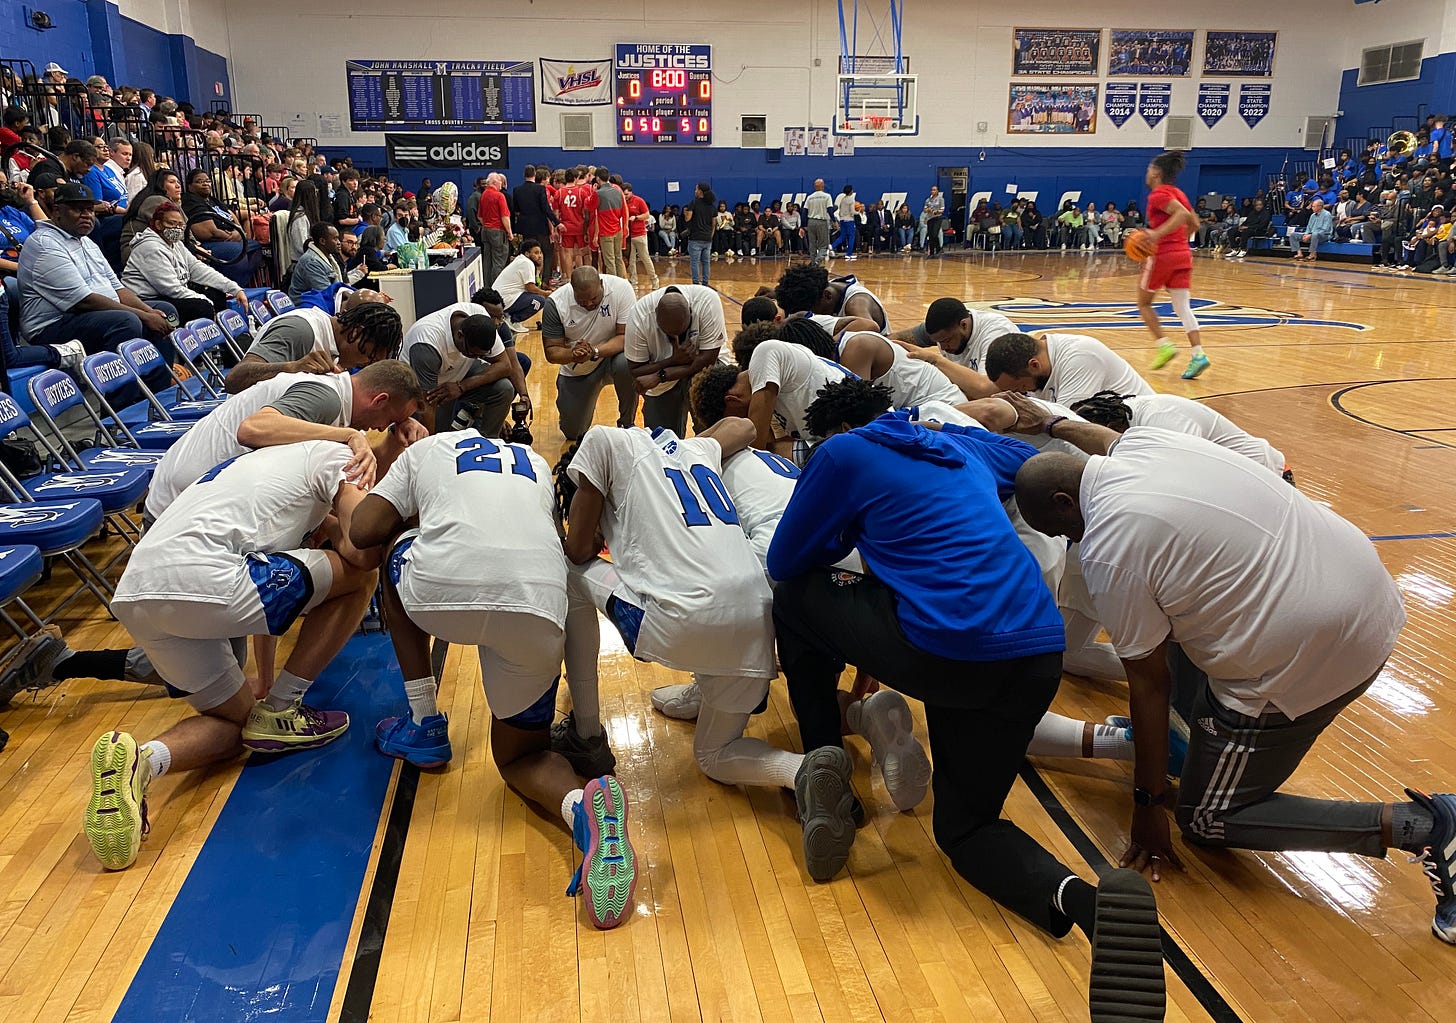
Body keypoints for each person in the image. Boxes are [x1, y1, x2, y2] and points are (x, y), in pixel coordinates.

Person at [765, 379, 1165, 1016]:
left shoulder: (843, 456)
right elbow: (1040, 466)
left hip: (949, 655)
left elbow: (788, 560)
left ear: (832, 434)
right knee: (967, 828)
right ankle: (1091, 907)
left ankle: (824, 768)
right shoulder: (958, 446)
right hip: (1036, 653)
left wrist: (844, 538)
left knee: (796, 598)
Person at [1010, 412, 1456, 947]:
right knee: (1166, 621)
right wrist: (1057, 423)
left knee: (1206, 818)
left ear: (1064, 503)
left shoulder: (1110, 546)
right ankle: (1182, 746)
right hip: (1368, 589)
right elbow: (1103, 438)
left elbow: (1149, 686)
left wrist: (1148, 807)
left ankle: (1425, 827)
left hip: (1317, 654)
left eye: (1067, 532)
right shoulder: (1148, 444)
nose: (1075, 543)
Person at [83, 442, 384, 871]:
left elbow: (269, 614)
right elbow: (362, 549)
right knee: (361, 578)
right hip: (205, 575)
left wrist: (263, 686)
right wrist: (341, 527)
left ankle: (142, 760)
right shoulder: (338, 458)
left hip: (137, 592)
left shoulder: (254, 471)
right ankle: (284, 709)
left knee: (242, 727)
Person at [560, 421, 839, 865]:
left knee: (567, 572)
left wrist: (588, 527)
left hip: (679, 623)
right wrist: (688, 445)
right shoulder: (697, 451)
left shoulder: (600, 441)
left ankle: (586, 732)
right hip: (757, 619)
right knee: (714, 752)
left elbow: (578, 549)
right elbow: (745, 426)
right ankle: (802, 770)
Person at [17, 182, 177, 374]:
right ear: (57, 211)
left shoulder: (87, 242)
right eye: (78, 209)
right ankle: (121, 399)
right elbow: (84, 301)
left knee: (164, 310)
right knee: (126, 321)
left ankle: (160, 388)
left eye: (90, 209)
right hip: (52, 326)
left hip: (90, 315)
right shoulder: (45, 244)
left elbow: (118, 289)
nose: (87, 215)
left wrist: (149, 311)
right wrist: (144, 316)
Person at [1068, 390, 1288, 476]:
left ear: (1113, 429)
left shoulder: (1163, 419)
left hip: (1272, 477)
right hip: (1242, 481)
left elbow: (1190, 472)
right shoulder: (1133, 415)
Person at [403, 297, 529, 437]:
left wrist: (462, 386)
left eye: (481, 355)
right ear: (460, 335)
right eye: (473, 353)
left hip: (455, 377)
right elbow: (426, 405)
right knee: (433, 437)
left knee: (504, 388)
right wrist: (432, 447)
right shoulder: (427, 343)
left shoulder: (479, 318)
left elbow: (505, 365)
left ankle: (488, 443)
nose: (476, 358)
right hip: (420, 391)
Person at [734, 320, 854, 459]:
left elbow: (757, 449)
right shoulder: (797, 370)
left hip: (862, 436)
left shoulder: (766, 351)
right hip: (862, 434)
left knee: (748, 454)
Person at [1137, 151, 1208, 380]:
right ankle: (1198, 355)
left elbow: (1180, 214)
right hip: (1183, 254)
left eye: (1149, 170)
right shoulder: (1179, 193)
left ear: (1156, 173)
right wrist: (1179, 240)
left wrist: (1158, 234)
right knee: (1183, 307)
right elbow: (1194, 223)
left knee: (1143, 303)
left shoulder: (1158, 194)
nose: (1146, 174)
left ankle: (1164, 345)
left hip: (1162, 255)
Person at [544, 267, 638, 439]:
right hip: (578, 367)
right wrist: (574, 354)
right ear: (572, 290)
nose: (588, 304)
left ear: (601, 284)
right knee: (573, 432)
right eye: (582, 300)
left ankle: (627, 423)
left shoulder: (622, 289)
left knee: (627, 362)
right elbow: (552, 352)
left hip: (609, 357)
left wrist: (595, 352)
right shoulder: (555, 303)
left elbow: (624, 336)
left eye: (594, 298)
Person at [227, 301, 403, 393]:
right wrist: (292, 368)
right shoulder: (301, 331)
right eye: (369, 359)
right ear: (356, 333)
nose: (364, 366)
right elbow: (234, 379)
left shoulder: (330, 340)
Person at [623, 284, 725, 435]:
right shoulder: (639, 316)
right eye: (670, 334)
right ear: (656, 315)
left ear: (690, 311)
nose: (676, 338)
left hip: (695, 371)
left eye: (681, 331)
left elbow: (708, 359)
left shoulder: (707, 301)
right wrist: (672, 360)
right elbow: (636, 370)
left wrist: (661, 375)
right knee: (662, 442)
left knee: (711, 431)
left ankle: (707, 437)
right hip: (662, 383)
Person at [121, 200, 247, 322]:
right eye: (171, 223)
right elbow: (170, 289)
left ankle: (221, 337)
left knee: (216, 293)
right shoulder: (150, 247)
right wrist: (204, 299)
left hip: (167, 294)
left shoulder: (177, 244)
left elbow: (198, 269)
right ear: (158, 224)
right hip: (147, 299)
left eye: (180, 225)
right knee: (202, 307)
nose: (177, 228)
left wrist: (234, 288)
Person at [986, 331, 1155, 409]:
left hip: (1146, 432)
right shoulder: (1043, 360)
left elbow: (1066, 424)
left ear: (1034, 365)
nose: (1021, 393)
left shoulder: (1080, 357)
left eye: (1021, 388)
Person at [889, 297, 1018, 398]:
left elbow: (988, 390)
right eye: (938, 342)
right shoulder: (945, 331)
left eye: (947, 341)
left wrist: (935, 360)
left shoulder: (996, 333)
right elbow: (897, 338)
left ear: (963, 325)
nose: (943, 347)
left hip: (1013, 404)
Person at [181, 168, 262, 286]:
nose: (205, 183)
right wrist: (231, 236)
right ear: (190, 186)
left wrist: (238, 232)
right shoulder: (190, 200)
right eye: (199, 181)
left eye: (207, 181)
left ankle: (241, 284)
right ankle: (232, 289)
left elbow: (231, 214)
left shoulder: (212, 200)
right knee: (238, 251)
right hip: (209, 243)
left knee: (255, 246)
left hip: (230, 238)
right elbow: (209, 232)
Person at [773, 263, 889, 332]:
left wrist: (829, 344)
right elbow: (800, 284)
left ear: (827, 296)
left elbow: (870, 328)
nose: (812, 316)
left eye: (812, 311)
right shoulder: (823, 287)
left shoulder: (856, 303)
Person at [512, 164, 559, 285]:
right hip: (540, 226)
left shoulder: (517, 190)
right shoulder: (540, 189)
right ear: (534, 175)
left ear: (524, 175)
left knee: (528, 254)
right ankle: (544, 280)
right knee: (547, 253)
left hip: (525, 227)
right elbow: (546, 209)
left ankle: (530, 279)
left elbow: (516, 209)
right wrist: (557, 223)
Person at [492, 239, 551, 333]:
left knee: (536, 297)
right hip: (504, 299)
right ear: (527, 254)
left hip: (502, 298)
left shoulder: (522, 260)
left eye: (540, 253)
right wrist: (546, 293)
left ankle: (508, 316)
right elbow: (530, 288)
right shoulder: (526, 263)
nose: (539, 256)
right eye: (536, 253)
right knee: (539, 301)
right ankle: (512, 319)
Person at [287, 222, 344, 301]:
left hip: (319, 303)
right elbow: (327, 295)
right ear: (322, 241)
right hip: (306, 307)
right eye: (335, 239)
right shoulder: (311, 262)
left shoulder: (329, 257)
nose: (339, 242)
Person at [590, 167, 626, 279]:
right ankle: (622, 283)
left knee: (609, 261)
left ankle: (614, 285)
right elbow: (623, 211)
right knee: (618, 258)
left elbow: (589, 206)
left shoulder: (598, 194)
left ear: (597, 179)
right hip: (617, 229)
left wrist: (593, 192)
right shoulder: (618, 192)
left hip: (606, 231)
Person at [477, 173, 512, 284]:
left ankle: (487, 286)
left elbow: (480, 216)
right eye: (500, 181)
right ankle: (497, 287)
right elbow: (505, 217)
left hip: (486, 231)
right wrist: (509, 232)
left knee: (487, 261)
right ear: (494, 182)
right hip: (497, 231)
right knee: (499, 261)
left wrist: (487, 224)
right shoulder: (499, 196)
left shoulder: (484, 195)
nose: (501, 183)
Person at [622, 183, 657, 288]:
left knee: (645, 258)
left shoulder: (639, 201)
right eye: (624, 194)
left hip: (639, 234)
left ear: (631, 192)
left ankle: (654, 279)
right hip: (628, 236)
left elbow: (647, 215)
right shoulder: (622, 202)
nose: (625, 196)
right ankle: (633, 282)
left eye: (627, 194)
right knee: (631, 261)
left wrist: (636, 217)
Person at [680, 182, 715, 286]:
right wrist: (710, 236)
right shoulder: (712, 206)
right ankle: (705, 283)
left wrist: (687, 212)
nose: (695, 191)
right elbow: (714, 224)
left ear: (700, 191)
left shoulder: (694, 203)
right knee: (706, 262)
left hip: (695, 238)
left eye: (696, 189)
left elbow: (688, 218)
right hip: (707, 238)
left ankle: (696, 283)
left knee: (694, 262)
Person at [803, 179, 833, 265]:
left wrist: (804, 225)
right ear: (823, 186)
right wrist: (834, 221)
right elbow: (830, 209)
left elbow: (804, 211)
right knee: (824, 245)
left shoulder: (810, 197)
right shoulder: (827, 196)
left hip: (811, 222)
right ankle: (817, 261)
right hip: (821, 222)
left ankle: (813, 263)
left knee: (812, 245)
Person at [831, 184, 858, 261]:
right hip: (849, 220)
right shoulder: (851, 199)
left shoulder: (843, 199)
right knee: (851, 237)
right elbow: (852, 211)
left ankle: (832, 246)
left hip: (842, 220)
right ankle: (849, 254)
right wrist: (858, 212)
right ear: (850, 191)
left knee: (843, 236)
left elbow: (840, 211)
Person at [922, 186, 945, 256]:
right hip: (930, 219)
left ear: (937, 191)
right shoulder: (928, 200)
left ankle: (939, 248)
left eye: (934, 190)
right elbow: (924, 210)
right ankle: (931, 252)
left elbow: (942, 210)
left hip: (937, 218)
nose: (932, 191)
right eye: (932, 190)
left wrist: (936, 211)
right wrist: (928, 209)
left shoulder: (940, 199)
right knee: (930, 235)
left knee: (935, 233)